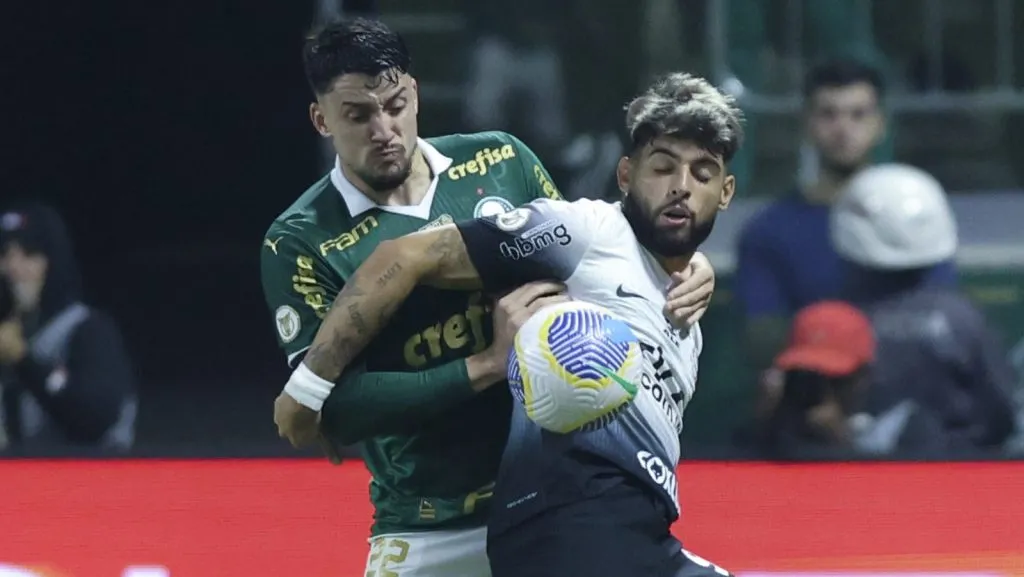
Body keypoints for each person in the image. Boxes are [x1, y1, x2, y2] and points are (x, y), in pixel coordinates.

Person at [262, 19, 718, 577]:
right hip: (427, 526)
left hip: (554, 505)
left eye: (396, 104)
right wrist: (485, 365)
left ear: (415, 93)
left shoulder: (500, 161)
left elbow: (592, 267)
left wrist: (687, 258)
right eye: (359, 115)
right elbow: (335, 413)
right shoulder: (300, 240)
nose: (385, 128)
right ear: (321, 120)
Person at [735, 58, 957, 378]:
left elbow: (942, 316)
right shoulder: (768, 232)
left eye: (858, 114)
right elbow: (761, 338)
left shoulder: (919, 216)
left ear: (880, 125)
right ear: (807, 125)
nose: (843, 129)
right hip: (814, 397)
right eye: (828, 114)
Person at [832, 164, 1018, 455]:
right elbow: (1001, 412)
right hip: (961, 473)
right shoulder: (962, 319)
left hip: (851, 477)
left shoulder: (829, 323)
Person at [0, 204, 136, 453]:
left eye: (29, 254)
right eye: (5, 256)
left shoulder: (88, 331)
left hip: (90, 483)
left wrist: (24, 360)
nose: (13, 269)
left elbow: (94, 419)